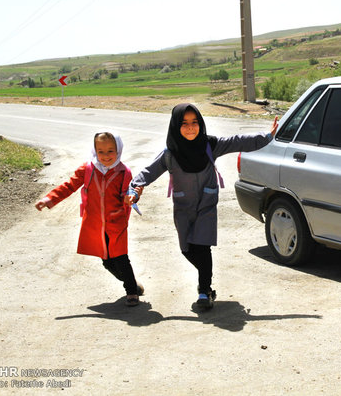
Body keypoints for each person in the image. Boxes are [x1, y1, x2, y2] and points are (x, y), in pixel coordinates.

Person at [126, 103, 278, 309]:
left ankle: (204, 290)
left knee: (203, 247)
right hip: (183, 208)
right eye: (184, 123)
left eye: (194, 123)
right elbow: (148, 172)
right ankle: (205, 277)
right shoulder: (170, 154)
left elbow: (236, 141)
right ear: (175, 126)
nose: (190, 128)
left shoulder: (210, 146)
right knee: (187, 249)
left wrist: (266, 136)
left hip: (206, 205)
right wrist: (134, 189)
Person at [35, 132, 144, 307]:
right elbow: (69, 186)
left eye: (110, 151)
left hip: (116, 223)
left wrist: (132, 196)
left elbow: (129, 191)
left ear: (119, 150)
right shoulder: (87, 169)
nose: (106, 156)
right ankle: (131, 283)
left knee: (121, 257)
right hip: (95, 223)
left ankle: (131, 291)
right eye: (101, 151)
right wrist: (49, 199)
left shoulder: (124, 172)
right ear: (95, 151)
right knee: (107, 261)